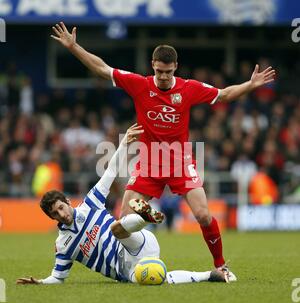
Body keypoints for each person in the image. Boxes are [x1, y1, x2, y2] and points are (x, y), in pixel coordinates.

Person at [50, 22, 275, 276]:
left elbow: (223, 95)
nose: (164, 76)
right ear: (152, 66)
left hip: (180, 162)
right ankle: (137, 245)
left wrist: (250, 84)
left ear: (175, 67)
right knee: (122, 221)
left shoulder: (188, 88)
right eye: (159, 71)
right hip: (149, 162)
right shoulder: (140, 85)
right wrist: (73, 47)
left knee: (203, 215)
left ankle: (220, 266)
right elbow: (103, 69)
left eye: (168, 72)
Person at [16, 124, 232, 286]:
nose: (61, 214)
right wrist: (41, 283)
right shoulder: (63, 244)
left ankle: (144, 216)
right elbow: (58, 277)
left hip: (137, 242)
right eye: (55, 214)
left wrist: (123, 143)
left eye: (61, 207)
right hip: (127, 271)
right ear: (52, 218)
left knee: (115, 227)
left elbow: (110, 172)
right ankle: (211, 276)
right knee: (158, 279)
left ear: (66, 201)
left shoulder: (89, 203)